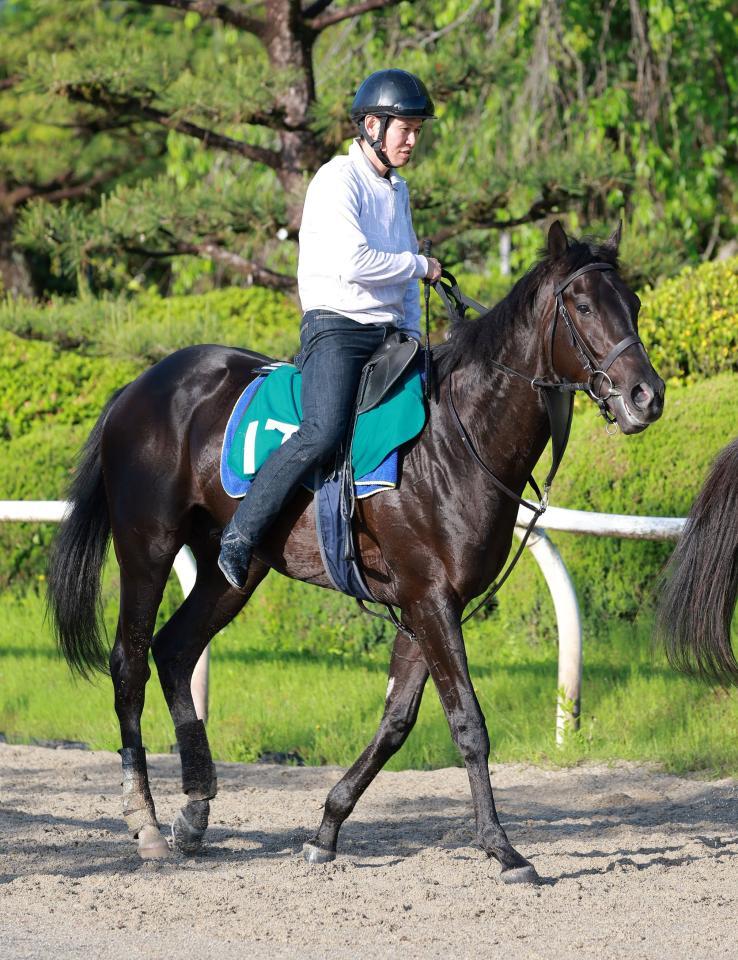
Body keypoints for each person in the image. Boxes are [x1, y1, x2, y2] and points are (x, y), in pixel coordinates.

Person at [218, 68, 442, 591]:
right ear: (371, 125)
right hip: (335, 329)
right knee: (321, 432)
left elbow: (407, 285)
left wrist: (413, 334)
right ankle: (240, 533)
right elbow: (355, 261)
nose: (412, 139)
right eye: (404, 128)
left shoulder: (397, 189)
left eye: (417, 130)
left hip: (387, 334)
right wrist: (418, 265)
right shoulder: (335, 179)